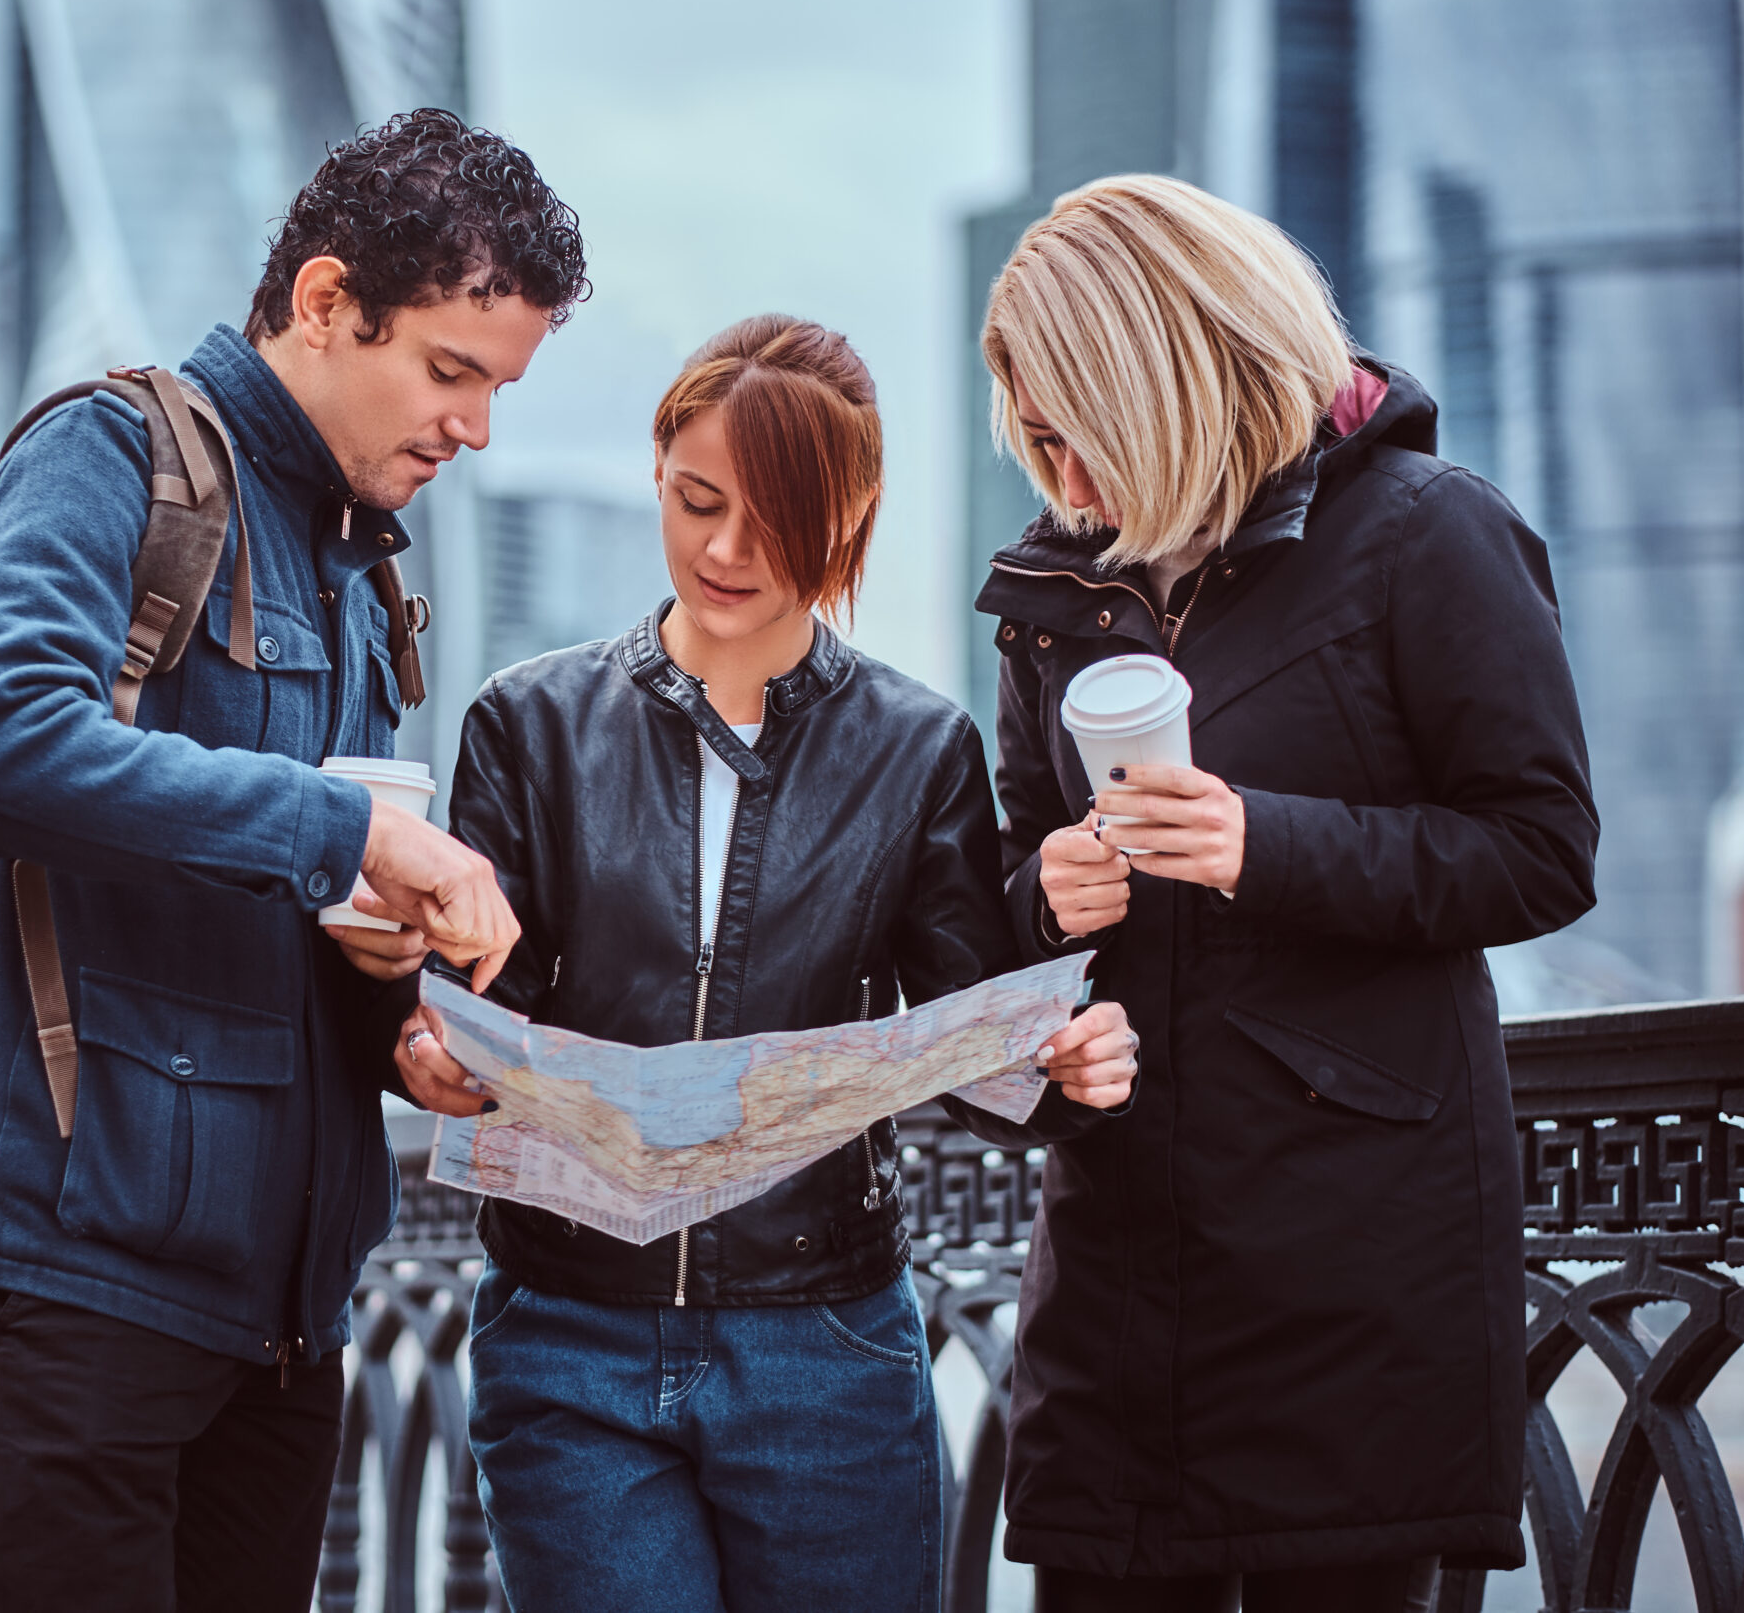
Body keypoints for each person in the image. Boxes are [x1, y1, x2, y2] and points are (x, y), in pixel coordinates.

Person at [0, 110, 589, 1612]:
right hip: (72, 1274)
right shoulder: (109, 450)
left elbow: (280, 915)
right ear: (329, 303)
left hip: (279, 1317)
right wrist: (348, 834)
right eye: (452, 372)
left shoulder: (358, 572)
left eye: (500, 387)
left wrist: (409, 1036)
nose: (477, 429)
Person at [335, 314, 1141, 1613]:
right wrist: (429, 1047)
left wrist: (1057, 1055)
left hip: (824, 1346)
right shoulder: (526, 725)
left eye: (773, 519)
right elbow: (475, 1006)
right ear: (658, 466)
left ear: (849, 514)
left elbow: (969, 1036)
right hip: (570, 1335)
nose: (725, 550)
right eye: (698, 500)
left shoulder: (916, 750)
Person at [972, 175, 1599, 1612]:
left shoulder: (1429, 532)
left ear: (1176, 376)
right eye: (1040, 443)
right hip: (1117, 1284)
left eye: (1085, 435)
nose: (1066, 487)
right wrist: (1046, 896)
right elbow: (1006, 881)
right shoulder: (1053, 595)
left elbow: (1543, 846)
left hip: (1353, 1277)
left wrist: (1266, 844)